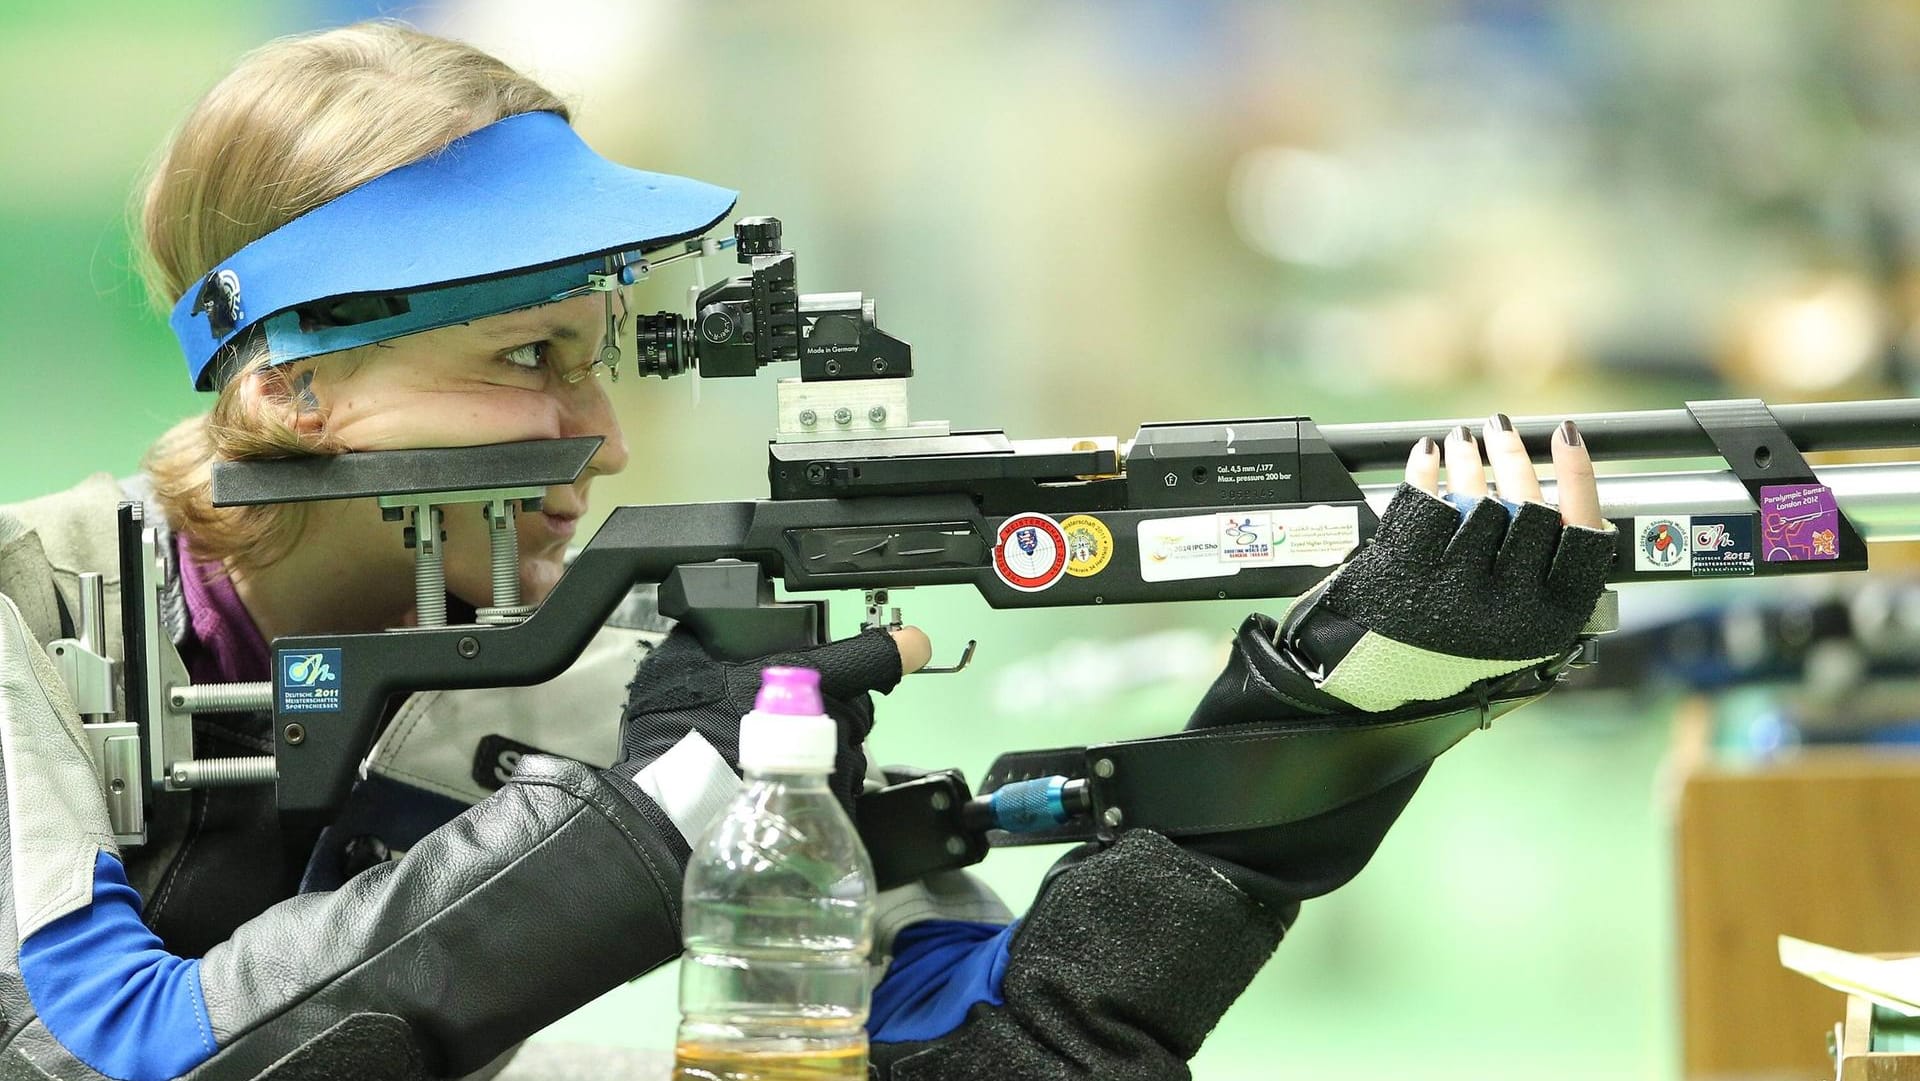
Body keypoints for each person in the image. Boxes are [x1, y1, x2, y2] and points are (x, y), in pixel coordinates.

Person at [0, 21, 1616, 1081]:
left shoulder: (603, 673)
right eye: (524, 364)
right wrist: (650, 820)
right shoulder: (27, 615)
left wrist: (1331, 719)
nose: (603, 437)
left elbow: (1009, 1053)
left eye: (600, 358)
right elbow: (102, 1057)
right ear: (288, 382)